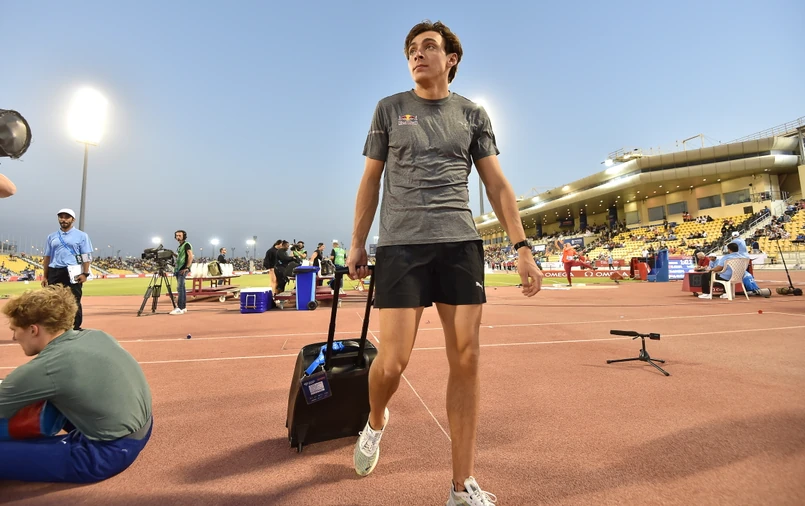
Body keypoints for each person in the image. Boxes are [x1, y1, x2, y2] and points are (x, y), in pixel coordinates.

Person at [346, 20, 542, 506]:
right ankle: (375, 421)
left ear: (451, 58)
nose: (417, 54)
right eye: (412, 49)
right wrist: (357, 243)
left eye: (428, 47)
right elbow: (370, 181)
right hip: (401, 247)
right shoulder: (389, 109)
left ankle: (461, 485)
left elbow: (496, 184)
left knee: (467, 360)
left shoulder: (472, 114)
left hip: (459, 245)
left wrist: (521, 247)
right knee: (393, 362)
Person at [0, 285, 153, 482]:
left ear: (33, 329)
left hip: (105, 453)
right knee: (50, 395)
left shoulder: (46, 367)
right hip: (142, 430)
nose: (13, 337)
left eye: (14, 330)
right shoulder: (96, 335)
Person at [41, 208, 93, 330]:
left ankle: (75, 327)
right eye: (61, 217)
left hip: (73, 271)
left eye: (66, 217)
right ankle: (56, 327)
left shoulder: (82, 236)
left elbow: (86, 256)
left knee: (74, 300)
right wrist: (45, 276)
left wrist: (85, 273)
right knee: (52, 300)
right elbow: (47, 257)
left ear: (73, 219)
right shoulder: (51, 237)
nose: (63, 219)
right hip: (54, 271)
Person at [170, 230, 193, 315]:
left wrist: (187, 267)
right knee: (182, 288)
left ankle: (180, 307)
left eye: (180, 235)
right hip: (179, 269)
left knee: (180, 288)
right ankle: (183, 307)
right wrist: (173, 254)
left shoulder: (186, 244)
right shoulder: (180, 246)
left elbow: (190, 255)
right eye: (176, 235)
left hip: (183, 269)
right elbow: (180, 257)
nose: (178, 237)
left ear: (184, 236)